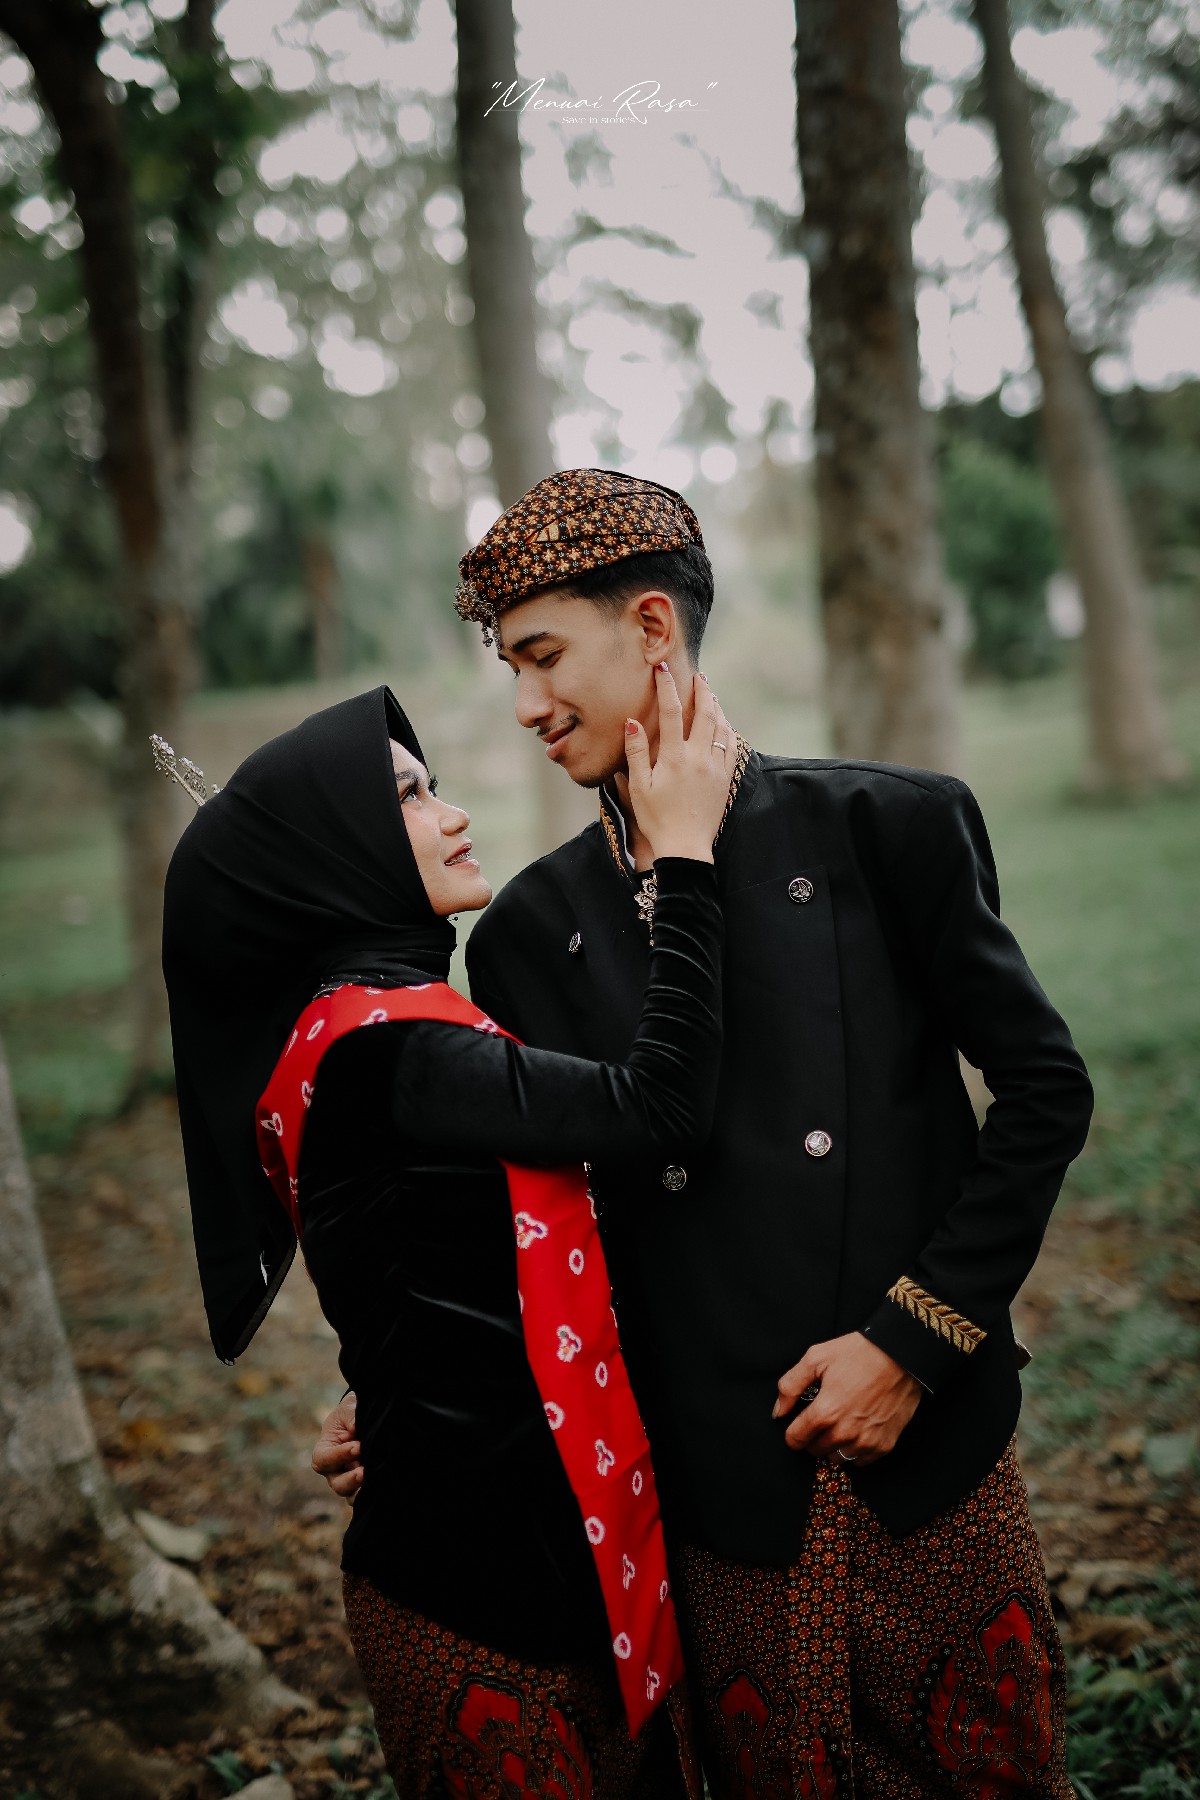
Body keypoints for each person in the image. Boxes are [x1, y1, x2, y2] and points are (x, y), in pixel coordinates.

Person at [317, 469, 1094, 1798]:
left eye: (544, 656)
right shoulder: (525, 932)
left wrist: (916, 1342)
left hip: (933, 1452)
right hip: (709, 1483)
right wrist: (407, 1384)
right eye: (511, 669)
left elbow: (1043, 1090)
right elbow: (534, 1215)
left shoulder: (889, 826)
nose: (526, 705)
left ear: (654, 628)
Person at [161, 675, 736, 1799]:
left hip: (526, 1566)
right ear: (335, 859)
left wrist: (372, 1394)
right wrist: (684, 858)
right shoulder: (392, 1051)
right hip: (475, 1605)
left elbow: (420, 1263)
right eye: (410, 798)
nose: (453, 813)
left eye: (434, 787)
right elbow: (664, 1105)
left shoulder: (348, 1041)